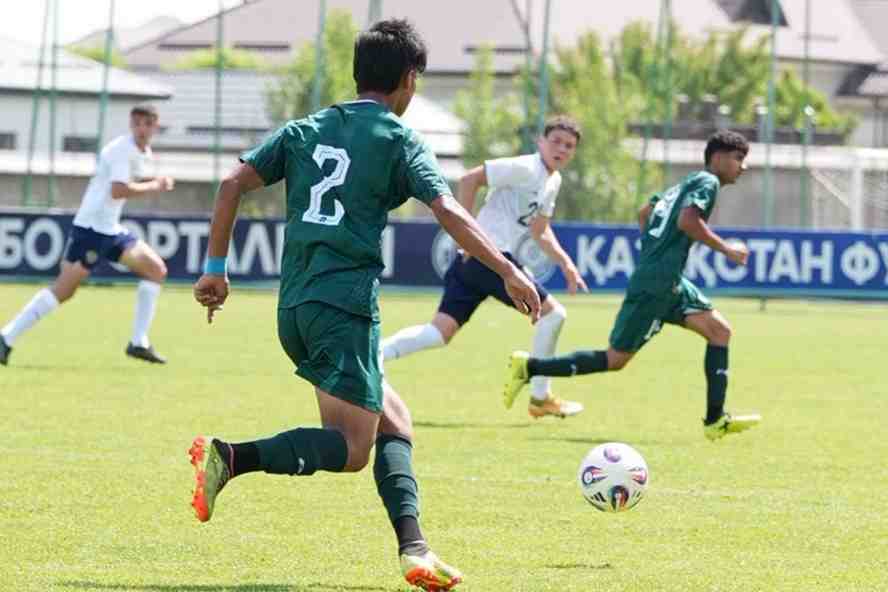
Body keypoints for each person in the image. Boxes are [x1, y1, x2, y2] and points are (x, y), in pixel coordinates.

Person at [189, 19, 540, 591]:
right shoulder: (399, 140)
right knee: (354, 450)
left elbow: (230, 186)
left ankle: (416, 552)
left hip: (297, 305)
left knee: (395, 421)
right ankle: (231, 456)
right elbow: (449, 211)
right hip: (344, 306)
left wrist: (215, 271)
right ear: (408, 79)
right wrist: (507, 269)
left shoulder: (306, 128)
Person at [503, 130, 762, 441]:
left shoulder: (688, 181)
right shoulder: (707, 182)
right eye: (738, 158)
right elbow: (687, 222)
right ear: (718, 157)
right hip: (658, 284)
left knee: (720, 331)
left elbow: (646, 211)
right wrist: (727, 250)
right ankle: (529, 367)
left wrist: (653, 248)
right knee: (615, 359)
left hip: (667, 280)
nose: (742, 167)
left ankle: (715, 419)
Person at [381, 116, 587, 419]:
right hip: (491, 257)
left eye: (569, 146)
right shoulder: (526, 167)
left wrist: (567, 264)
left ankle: (375, 354)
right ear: (540, 142)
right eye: (555, 141)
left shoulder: (551, 180)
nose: (561, 149)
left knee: (439, 333)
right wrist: (465, 232)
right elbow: (469, 179)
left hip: (474, 262)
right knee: (553, 315)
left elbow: (540, 230)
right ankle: (540, 396)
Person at [0, 104, 174, 366]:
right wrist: (156, 185)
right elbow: (118, 190)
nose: (141, 128)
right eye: (137, 123)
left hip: (110, 230)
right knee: (63, 290)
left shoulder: (140, 151)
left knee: (156, 270)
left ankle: (139, 343)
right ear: (131, 124)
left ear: (155, 126)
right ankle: (6, 337)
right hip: (91, 230)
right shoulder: (120, 150)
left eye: (147, 123)